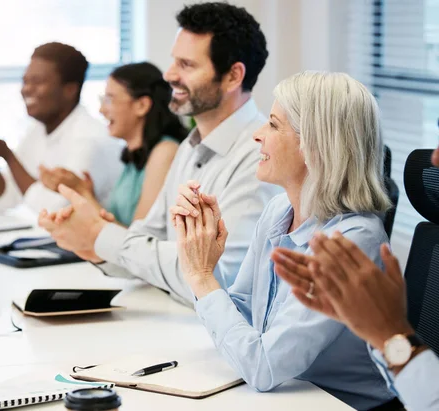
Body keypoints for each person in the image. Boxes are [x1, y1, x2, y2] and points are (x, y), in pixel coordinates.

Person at [171, 71, 399, 410]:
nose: (258, 135)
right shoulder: (280, 209)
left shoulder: (354, 241)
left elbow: (263, 367)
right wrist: (200, 258)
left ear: (317, 144)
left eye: (274, 125)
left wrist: (202, 279)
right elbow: (245, 316)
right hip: (293, 395)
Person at [39, 2, 278, 304]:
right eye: (173, 61)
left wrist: (102, 235)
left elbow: (216, 277)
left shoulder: (260, 155)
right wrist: (91, 245)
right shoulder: (189, 149)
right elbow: (145, 243)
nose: (169, 75)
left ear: (233, 77)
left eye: (187, 65)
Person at [272, 148, 439, 411]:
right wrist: (389, 334)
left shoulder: (359, 233)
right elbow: (424, 398)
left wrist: (389, 333)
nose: (435, 159)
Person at [0, 42, 123, 214]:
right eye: (25, 81)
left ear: (69, 90)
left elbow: (55, 210)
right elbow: (2, 201)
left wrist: (8, 155)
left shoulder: (90, 139)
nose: (26, 89)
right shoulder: (36, 131)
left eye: (37, 82)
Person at [37, 62, 187, 227]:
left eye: (109, 99)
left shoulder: (164, 152)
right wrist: (86, 195)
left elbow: (138, 241)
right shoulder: (134, 158)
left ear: (142, 105)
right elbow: (116, 228)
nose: (102, 110)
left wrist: (83, 193)